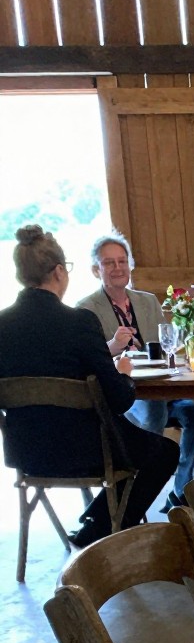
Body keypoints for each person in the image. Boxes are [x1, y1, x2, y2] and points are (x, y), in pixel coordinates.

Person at [0, 225, 178, 547]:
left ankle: (95, 519)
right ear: (57, 272)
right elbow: (121, 400)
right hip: (87, 450)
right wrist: (123, 371)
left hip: (25, 451)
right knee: (164, 451)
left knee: (142, 448)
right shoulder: (79, 322)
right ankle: (104, 533)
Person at [76, 231, 194, 512]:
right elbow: (90, 359)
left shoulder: (148, 301)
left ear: (130, 265)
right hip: (123, 397)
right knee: (153, 411)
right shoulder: (85, 310)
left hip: (161, 388)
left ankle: (181, 490)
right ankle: (138, 490)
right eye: (109, 263)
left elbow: (167, 345)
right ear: (95, 269)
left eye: (122, 261)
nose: (117, 268)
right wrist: (113, 346)